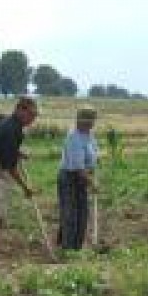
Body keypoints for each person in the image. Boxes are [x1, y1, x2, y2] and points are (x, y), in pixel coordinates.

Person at [0, 95, 39, 271]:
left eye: (35, 116)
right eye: (31, 115)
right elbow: (10, 167)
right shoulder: (13, 129)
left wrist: (17, 153)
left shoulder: (6, 122)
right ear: (20, 109)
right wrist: (26, 187)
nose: (32, 119)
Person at [57, 106, 99, 250]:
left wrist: (92, 173)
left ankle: (77, 248)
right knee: (70, 214)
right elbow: (78, 168)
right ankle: (67, 248)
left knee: (83, 214)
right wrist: (92, 183)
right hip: (70, 177)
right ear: (79, 121)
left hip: (83, 177)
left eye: (91, 121)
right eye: (86, 121)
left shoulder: (90, 135)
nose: (89, 124)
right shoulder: (73, 137)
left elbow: (93, 157)